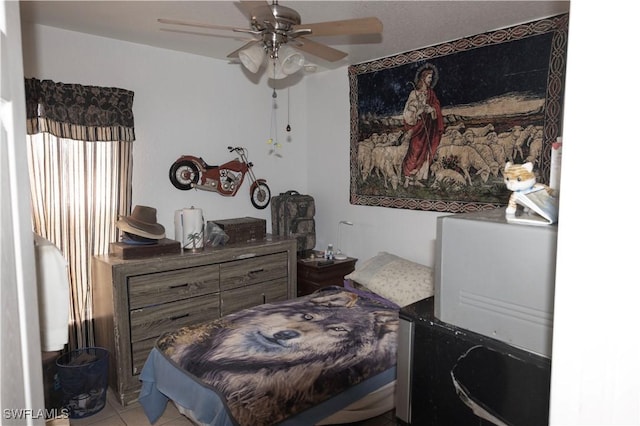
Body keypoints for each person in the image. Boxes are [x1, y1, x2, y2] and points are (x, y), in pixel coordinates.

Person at [401, 64, 444, 187]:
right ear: (423, 78)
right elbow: (408, 111)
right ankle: (407, 178)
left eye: (431, 78)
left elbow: (436, 106)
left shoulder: (431, 93)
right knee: (415, 150)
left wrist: (433, 109)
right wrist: (419, 110)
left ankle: (418, 178)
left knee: (426, 152)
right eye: (429, 77)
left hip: (429, 128)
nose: (430, 80)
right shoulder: (414, 93)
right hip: (418, 126)